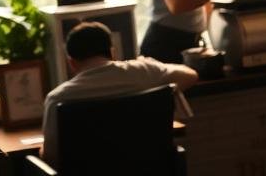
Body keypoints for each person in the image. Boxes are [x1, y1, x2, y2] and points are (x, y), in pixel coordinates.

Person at [40, 21, 198, 169]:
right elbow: (190, 75)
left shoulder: (58, 98)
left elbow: (51, 157)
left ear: (71, 63)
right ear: (112, 52)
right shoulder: (144, 71)